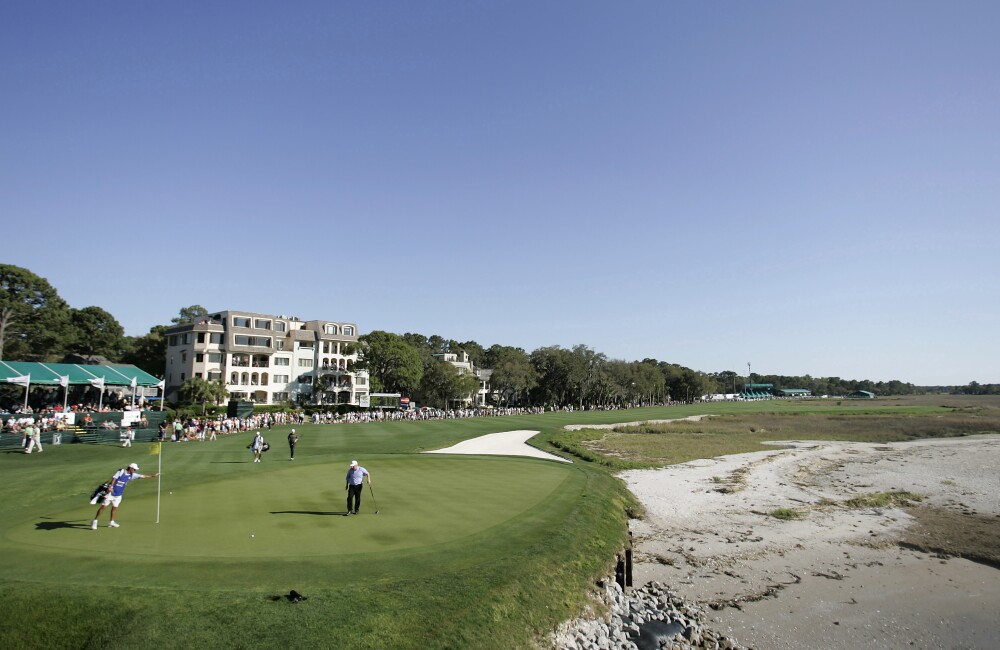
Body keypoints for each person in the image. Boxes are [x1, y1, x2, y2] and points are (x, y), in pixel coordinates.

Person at [91, 463, 159, 529]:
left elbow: (143, 476)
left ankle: (111, 522)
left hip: (118, 495)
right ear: (131, 468)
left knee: (115, 508)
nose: (135, 471)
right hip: (110, 494)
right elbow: (114, 478)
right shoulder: (121, 471)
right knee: (103, 507)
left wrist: (153, 475)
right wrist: (111, 486)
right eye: (134, 469)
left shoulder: (132, 475)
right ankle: (95, 521)